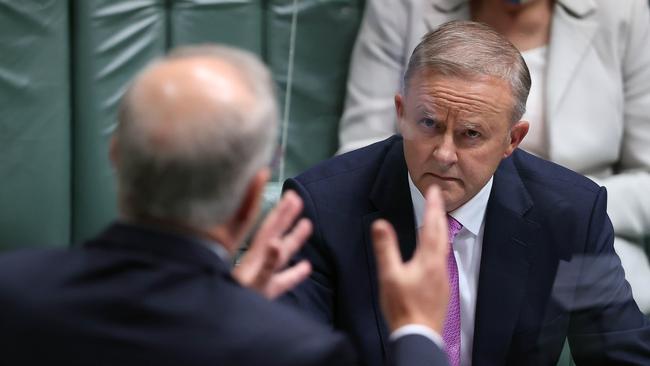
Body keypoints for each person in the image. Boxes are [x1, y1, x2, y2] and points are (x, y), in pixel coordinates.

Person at [0, 45, 451, 366]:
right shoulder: (293, 352)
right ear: (253, 198)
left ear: (116, 155)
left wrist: (233, 305)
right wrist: (416, 331)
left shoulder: (12, 292)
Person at [284, 21, 650, 366]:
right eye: (429, 124)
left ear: (512, 139)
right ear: (402, 113)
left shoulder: (570, 214)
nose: (444, 154)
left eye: (470, 134)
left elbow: (621, 355)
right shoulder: (321, 208)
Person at [338, 0, 650, 312]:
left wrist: (566, 212)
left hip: (574, 238)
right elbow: (360, 151)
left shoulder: (623, 11)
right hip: (417, 217)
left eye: (471, 132)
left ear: (515, 138)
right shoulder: (402, 7)